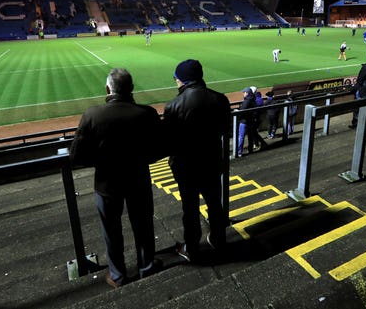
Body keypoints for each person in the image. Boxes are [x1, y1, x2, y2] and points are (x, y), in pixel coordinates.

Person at [69, 68, 164, 288]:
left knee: (111, 231)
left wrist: (102, 160)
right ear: (131, 89)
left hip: (106, 183)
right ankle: (146, 266)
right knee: (143, 226)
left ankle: (118, 275)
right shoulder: (147, 113)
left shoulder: (92, 115)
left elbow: (76, 156)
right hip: (138, 180)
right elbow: (160, 148)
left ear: (107, 89)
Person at [163, 59, 231, 263]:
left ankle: (191, 247)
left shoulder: (173, 106)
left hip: (186, 166)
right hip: (211, 161)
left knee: (190, 208)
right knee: (214, 203)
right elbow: (225, 129)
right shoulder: (220, 99)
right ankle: (219, 239)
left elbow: (169, 141)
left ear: (182, 80)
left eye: (176, 78)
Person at [236, 87, 259, 157]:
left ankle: (239, 152)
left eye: (244, 92)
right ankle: (250, 150)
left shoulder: (247, 100)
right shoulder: (253, 100)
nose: (243, 94)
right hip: (251, 121)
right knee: (250, 136)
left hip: (244, 121)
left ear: (247, 93)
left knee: (241, 137)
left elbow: (242, 110)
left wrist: (238, 114)